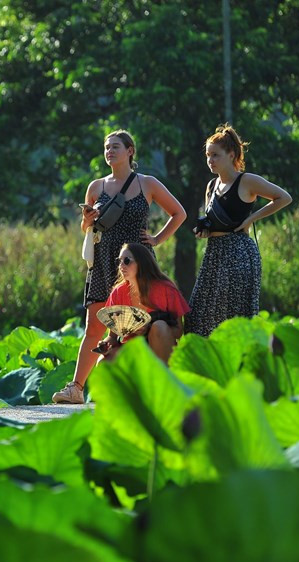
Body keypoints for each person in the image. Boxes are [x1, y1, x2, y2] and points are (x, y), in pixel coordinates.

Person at [53, 130, 186, 404]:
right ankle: (76, 388)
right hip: (104, 260)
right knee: (94, 324)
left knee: (145, 322)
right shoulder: (95, 187)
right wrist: (87, 220)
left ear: (130, 151)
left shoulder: (146, 183)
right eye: (106, 147)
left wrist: (158, 238)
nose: (109, 151)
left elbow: (179, 213)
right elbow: (86, 229)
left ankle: (155, 383)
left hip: (137, 264)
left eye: (115, 146)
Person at [184, 124, 292, 337]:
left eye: (215, 155)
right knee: (197, 316)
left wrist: (251, 218)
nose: (210, 160)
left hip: (238, 253)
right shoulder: (211, 186)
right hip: (214, 253)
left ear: (231, 154)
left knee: (233, 316)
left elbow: (284, 198)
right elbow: (213, 221)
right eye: (207, 155)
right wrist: (204, 230)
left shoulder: (247, 180)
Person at [94, 243, 190, 363]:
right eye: (119, 261)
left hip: (160, 349)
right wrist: (105, 344)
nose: (121, 266)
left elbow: (178, 331)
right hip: (131, 349)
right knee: (103, 362)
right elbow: (112, 336)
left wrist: (149, 329)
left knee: (159, 326)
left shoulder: (166, 288)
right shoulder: (118, 292)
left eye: (127, 261)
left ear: (142, 262)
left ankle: (162, 377)